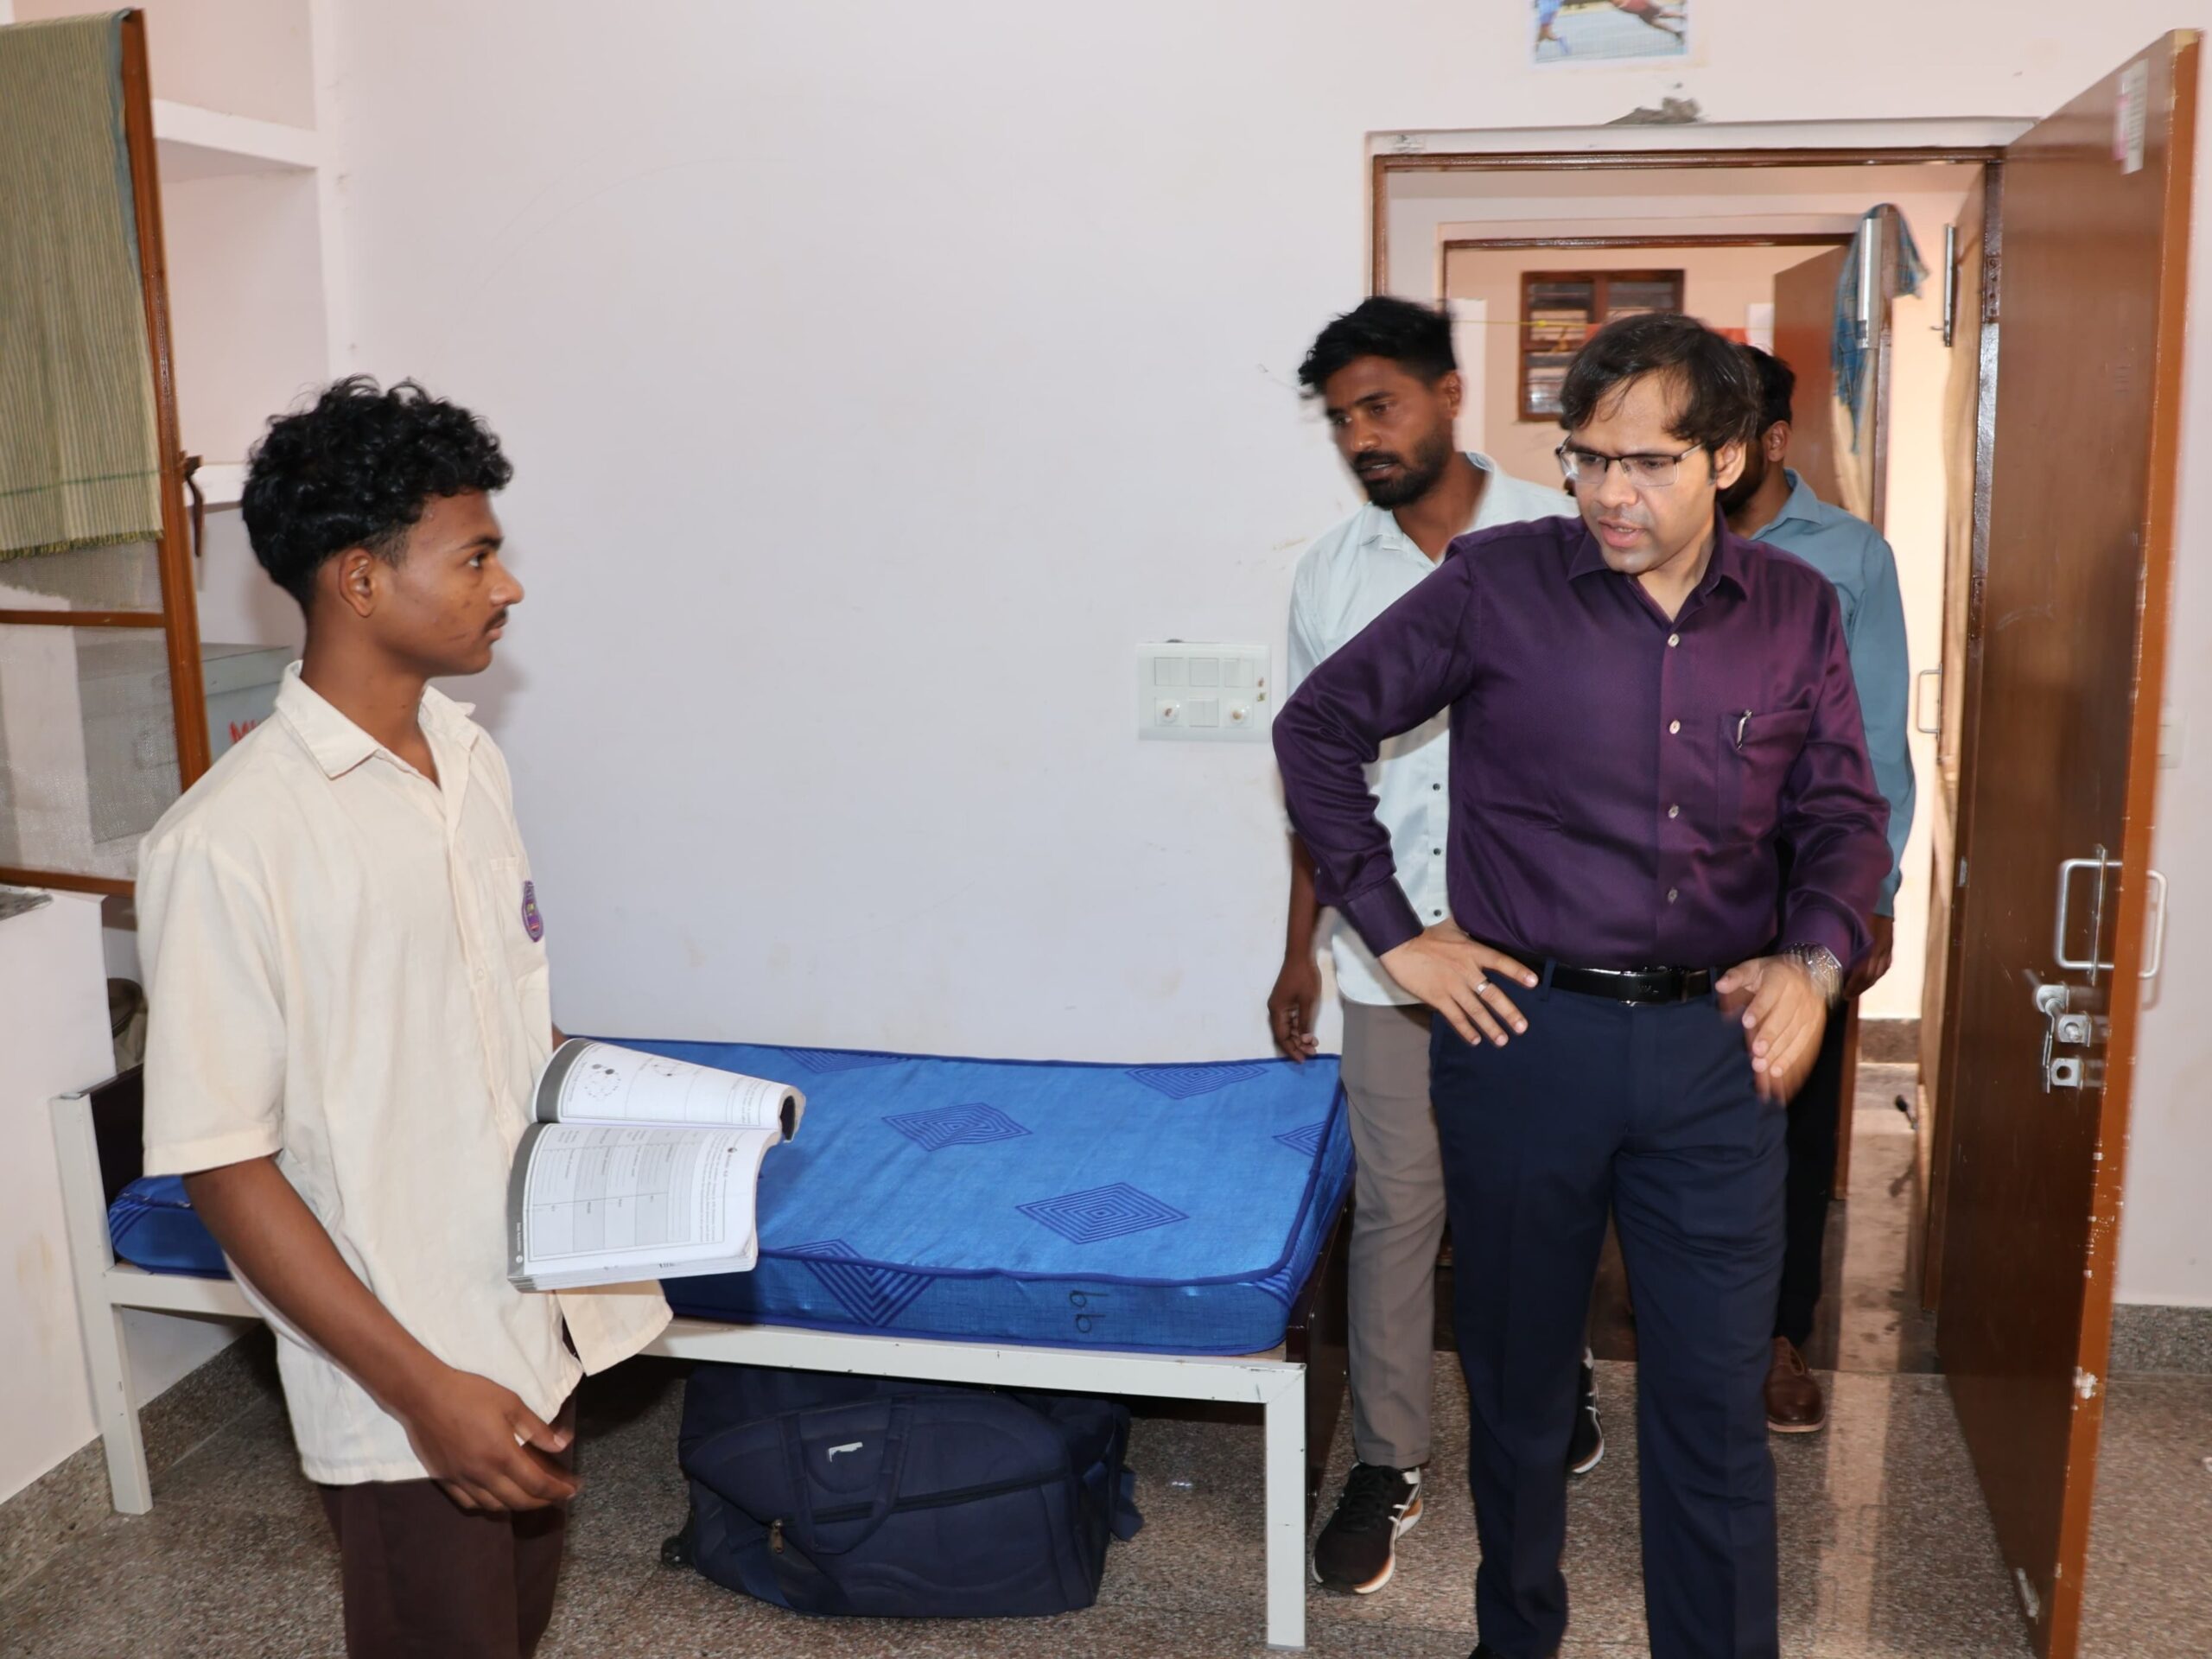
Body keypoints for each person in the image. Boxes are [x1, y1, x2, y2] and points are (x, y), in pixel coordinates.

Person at [1274, 312, 1890, 1659]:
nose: (1612, 493)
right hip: (1524, 1042)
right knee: (1518, 1395)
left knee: (1714, 1410)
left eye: (1650, 463)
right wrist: (1394, 934)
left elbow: (1845, 814)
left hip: (1716, 1055)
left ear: (1727, 459)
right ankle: (1517, 1636)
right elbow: (1316, 727)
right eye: (1589, 459)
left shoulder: (1795, 610)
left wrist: (1813, 960)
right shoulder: (1498, 585)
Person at [137, 378, 671, 1659]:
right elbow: (223, 1164)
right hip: (406, 1385)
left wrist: (647, 1123)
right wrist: (425, 1390)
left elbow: (498, 1021)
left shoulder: (467, 759)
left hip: (532, 1321)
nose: (508, 585)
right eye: (475, 556)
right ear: (361, 581)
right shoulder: (228, 844)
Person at [1272, 297, 1592, 1599]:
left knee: (1542, 1198)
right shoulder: (1329, 575)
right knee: (1401, 1210)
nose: (1361, 435)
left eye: (1380, 406)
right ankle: (1388, 1459)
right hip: (1389, 954)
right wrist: (1301, 950)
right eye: (1341, 418)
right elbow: (1315, 779)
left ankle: (1561, 1376)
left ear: (1449, 396)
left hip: (1545, 956)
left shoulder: (1566, 539)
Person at [1721, 346, 1916, 1434]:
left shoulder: (1849, 555)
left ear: (1773, 439)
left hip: (1804, 876)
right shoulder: (1652, 540)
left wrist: (1873, 891)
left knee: (1789, 1115)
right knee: (1663, 1105)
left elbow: (1878, 732)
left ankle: (1776, 1335)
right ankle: (1678, 1315)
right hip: (1678, 876)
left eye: (1726, 428)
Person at [1610, 0, 1687, 39]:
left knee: (1659, 16)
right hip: (1637, 7)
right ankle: (1677, 28)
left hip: (1638, 5)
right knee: (1658, 17)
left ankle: (1681, 20)